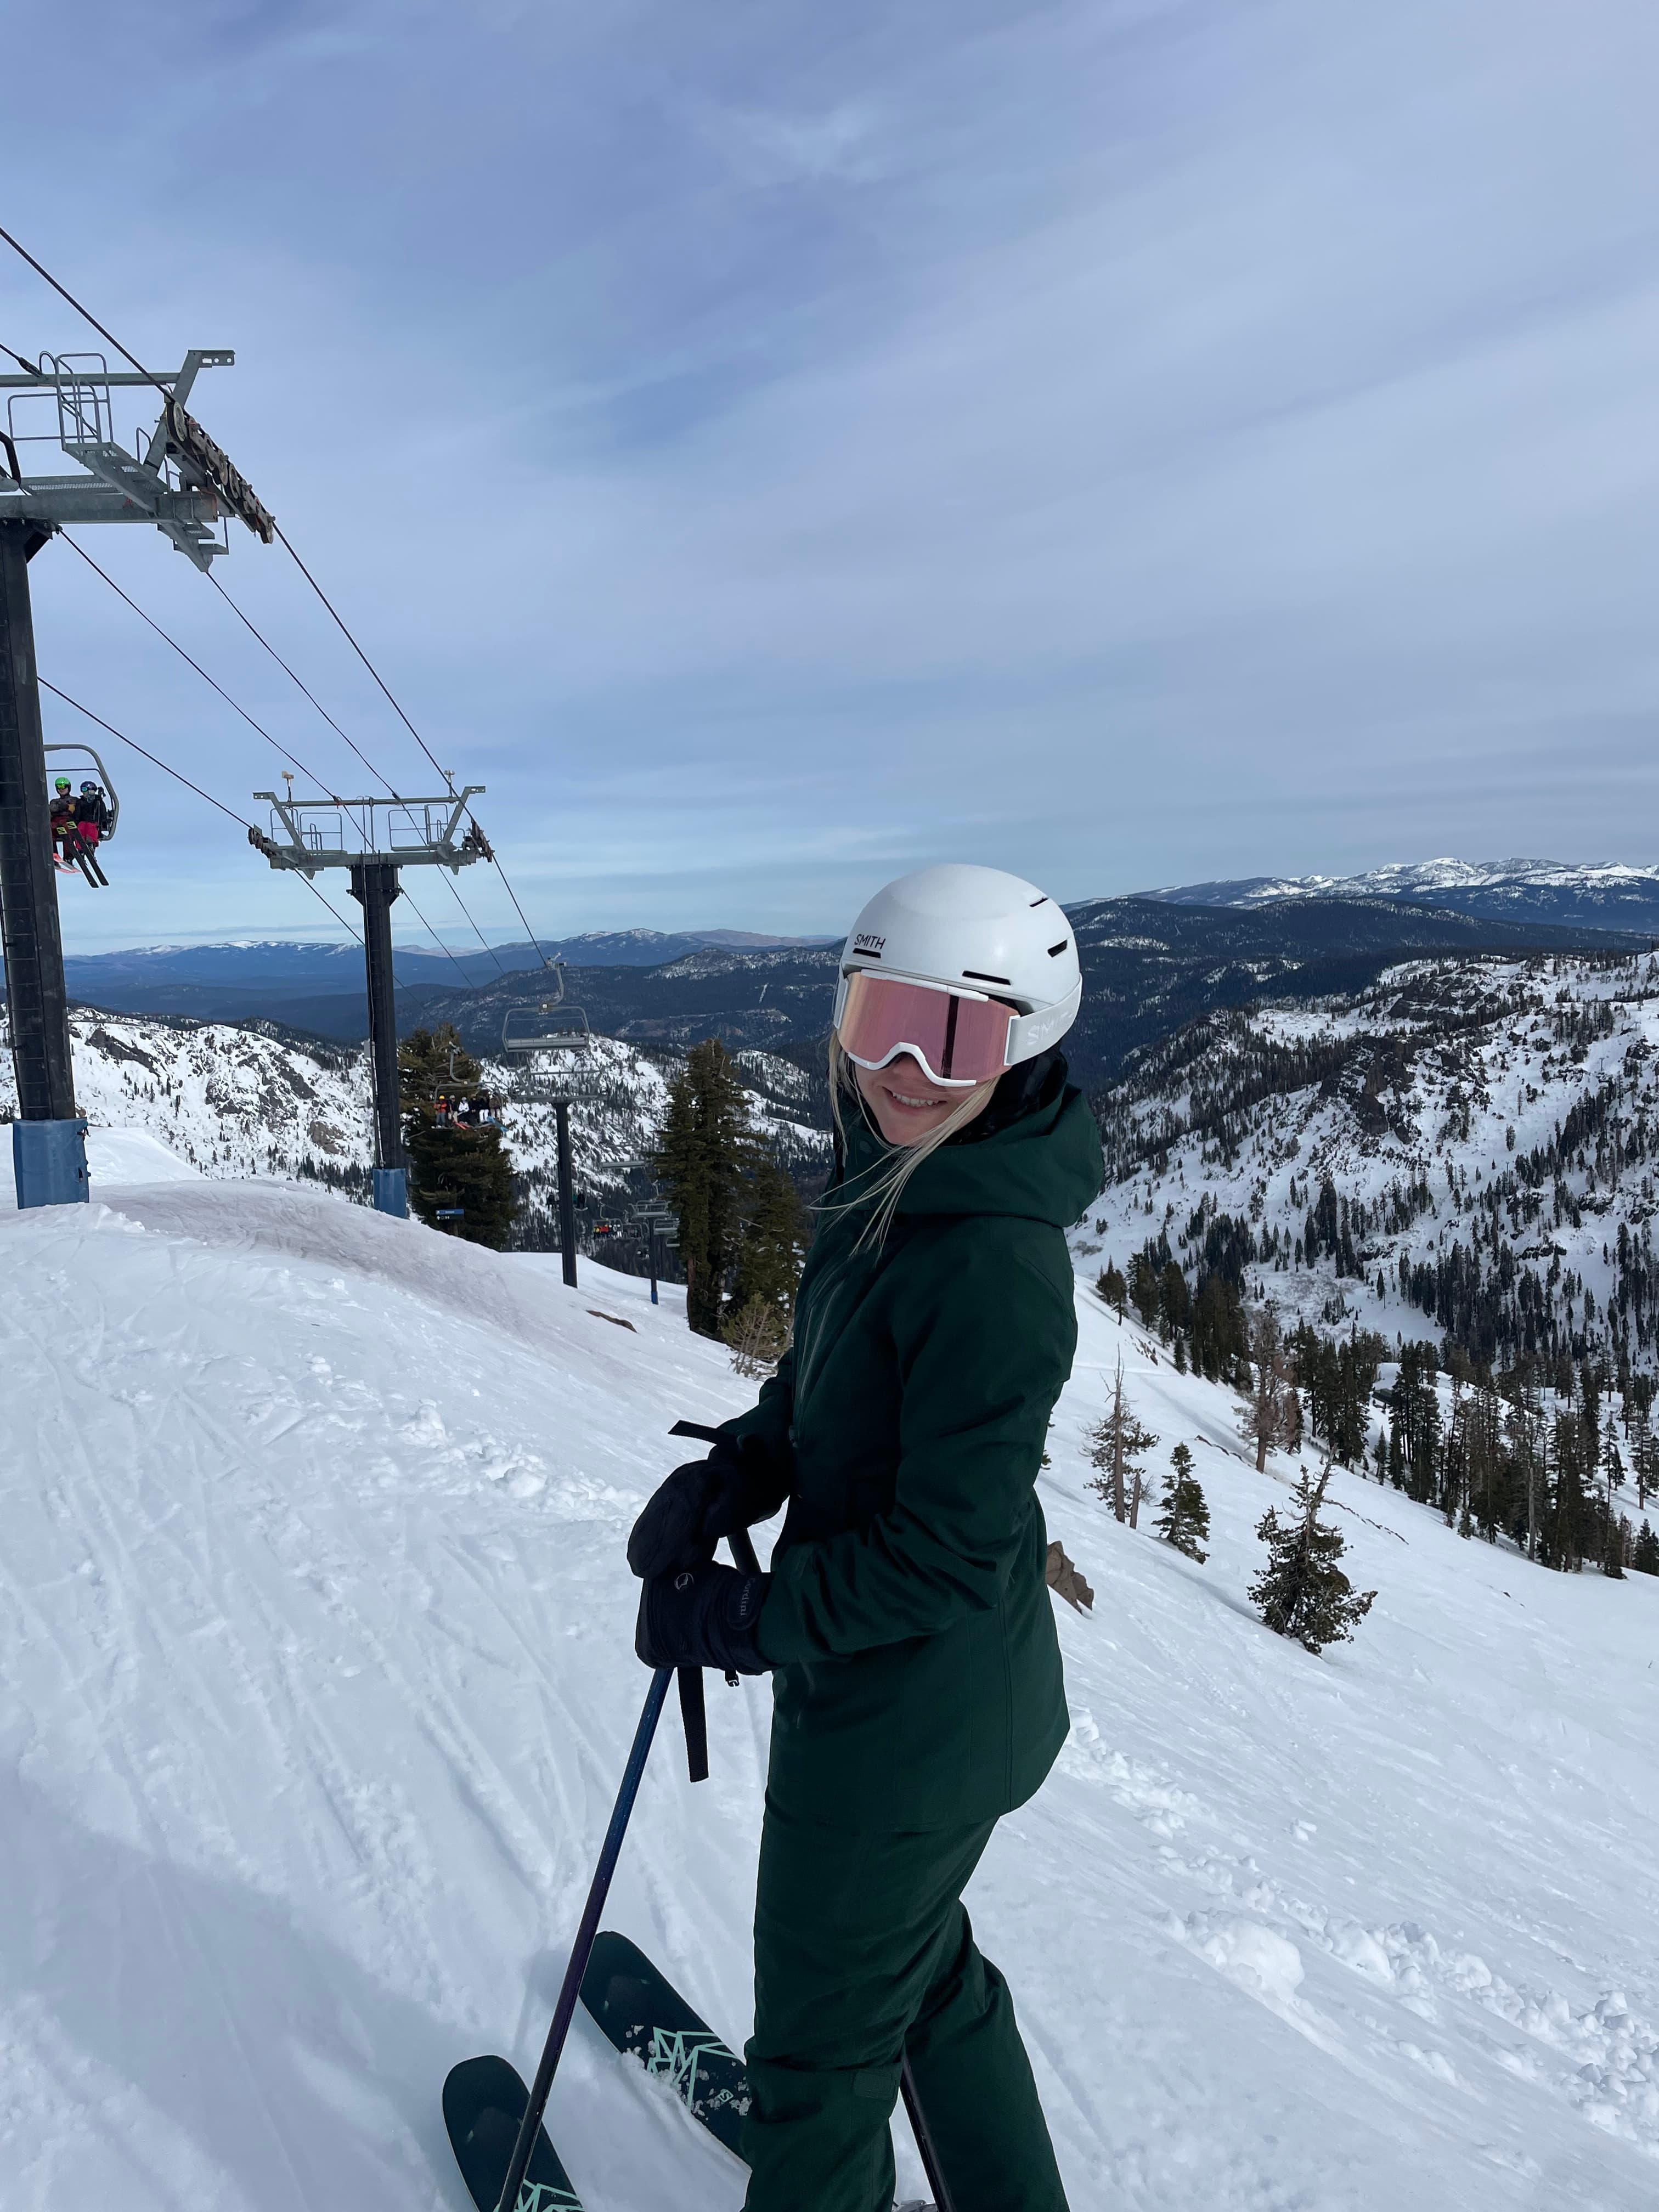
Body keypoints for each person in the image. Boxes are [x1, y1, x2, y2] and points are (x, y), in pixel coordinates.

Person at [629, 862, 1101, 2212]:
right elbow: (832, 1380)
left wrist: (747, 1620)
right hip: (929, 1706)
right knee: (919, 1967)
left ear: (1022, 1047)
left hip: (914, 1720)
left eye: (953, 1033)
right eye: (879, 1013)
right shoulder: (899, 1175)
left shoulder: (996, 1265)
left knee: (823, 2054)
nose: (903, 1064)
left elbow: (946, 1552)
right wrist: (745, 1465)